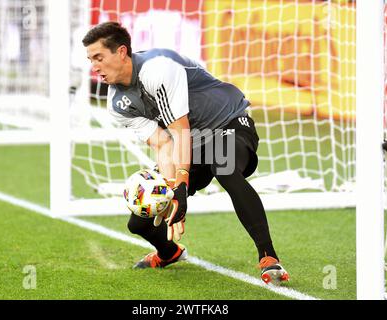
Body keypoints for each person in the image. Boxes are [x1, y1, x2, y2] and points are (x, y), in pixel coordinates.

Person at [82, 22, 289, 284]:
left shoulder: (158, 68)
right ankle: (169, 253)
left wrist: (182, 183)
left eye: (99, 57)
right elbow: (163, 144)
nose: (94, 67)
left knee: (223, 167)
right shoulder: (117, 104)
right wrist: (170, 191)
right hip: (192, 142)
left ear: (121, 52)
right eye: (90, 60)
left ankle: (269, 257)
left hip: (229, 123)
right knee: (140, 221)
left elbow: (179, 131)